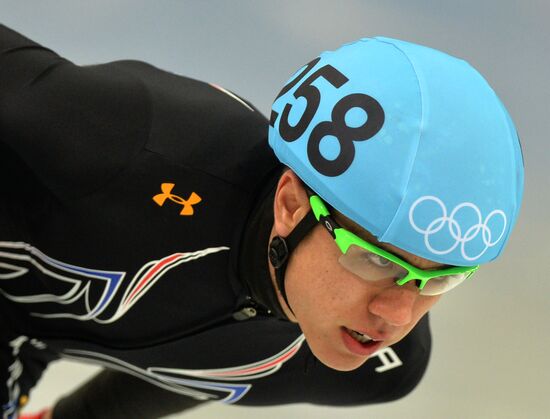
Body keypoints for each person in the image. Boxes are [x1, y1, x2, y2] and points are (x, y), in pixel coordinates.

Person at [0, 24, 524, 419]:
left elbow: (189, 363)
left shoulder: (378, 368)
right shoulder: (132, 142)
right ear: (291, 205)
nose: (398, 314)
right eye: (373, 259)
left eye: (441, 278)